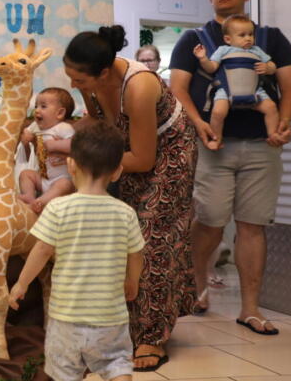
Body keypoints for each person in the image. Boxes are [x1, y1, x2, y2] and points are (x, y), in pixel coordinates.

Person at [56, 24, 197, 371]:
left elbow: (145, 160)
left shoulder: (138, 86)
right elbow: (95, 118)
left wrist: (83, 157)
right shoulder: (93, 85)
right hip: (131, 151)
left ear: (104, 73)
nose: (73, 85)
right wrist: (56, 134)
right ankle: (134, 323)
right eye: (69, 76)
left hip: (169, 152)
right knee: (126, 238)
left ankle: (151, 337)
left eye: (80, 79)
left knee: (152, 237)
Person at [169, 0, 291, 336]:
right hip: (214, 144)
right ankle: (197, 283)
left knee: (252, 224)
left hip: (263, 144)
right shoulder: (194, 39)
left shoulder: (271, 39)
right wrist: (200, 124)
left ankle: (250, 308)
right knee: (209, 219)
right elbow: (177, 89)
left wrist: (284, 122)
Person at [9, 120, 145, 381]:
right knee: (117, 364)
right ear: (117, 171)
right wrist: (132, 281)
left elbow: (41, 250)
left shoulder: (58, 209)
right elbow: (136, 254)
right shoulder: (125, 213)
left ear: (71, 165)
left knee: (65, 373)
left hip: (66, 318)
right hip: (110, 318)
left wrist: (21, 284)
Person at [193, 13, 278, 151]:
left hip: (255, 91)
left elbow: (273, 67)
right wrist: (203, 59)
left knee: (271, 108)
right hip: (227, 91)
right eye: (242, 35)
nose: (248, 38)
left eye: (251, 34)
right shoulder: (223, 50)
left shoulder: (257, 50)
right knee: (217, 113)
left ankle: (273, 134)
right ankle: (216, 139)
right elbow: (211, 68)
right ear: (228, 39)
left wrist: (268, 68)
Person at [18, 87, 76, 213]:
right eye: (36, 106)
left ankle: (40, 202)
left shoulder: (63, 128)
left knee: (65, 184)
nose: (37, 110)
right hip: (44, 179)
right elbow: (25, 133)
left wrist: (54, 146)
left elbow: (74, 145)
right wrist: (26, 137)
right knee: (26, 174)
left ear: (59, 113)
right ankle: (29, 195)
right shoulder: (36, 126)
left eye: (43, 106)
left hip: (61, 178)